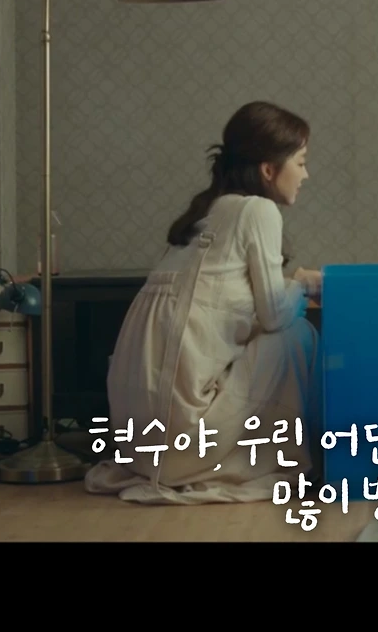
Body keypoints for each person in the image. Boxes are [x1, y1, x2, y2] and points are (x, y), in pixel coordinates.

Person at [85, 101, 323, 504]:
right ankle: (301, 458)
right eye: (300, 163)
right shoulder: (257, 210)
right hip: (179, 446)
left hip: (137, 448)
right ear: (269, 169)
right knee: (297, 334)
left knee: (269, 334)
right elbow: (274, 315)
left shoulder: (206, 214)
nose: (306, 174)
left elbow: (228, 302)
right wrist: (301, 286)